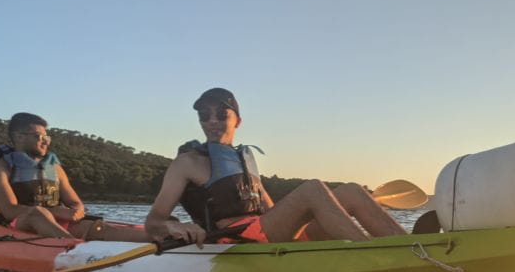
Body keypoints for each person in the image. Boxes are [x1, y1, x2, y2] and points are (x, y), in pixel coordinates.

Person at [145, 88, 406, 246]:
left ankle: (411, 248)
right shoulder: (187, 163)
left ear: (237, 121)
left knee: (351, 190)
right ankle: (370, 255)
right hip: (237, 240)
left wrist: (316, 213)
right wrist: (174, 227)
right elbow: (154, 222)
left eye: (221, 114)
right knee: (312, 188)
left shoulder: (243, 161)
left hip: (265, 231)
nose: (212, 121)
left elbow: (270, 212)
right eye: (204, 116)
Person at [0, 112, 151, 242]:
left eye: (47, 137)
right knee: (37, 213)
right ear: (19, 137)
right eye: (39, 137)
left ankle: (161, 240)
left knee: (102, 229)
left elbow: (75, 202)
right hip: (22, 224)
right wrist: (56, 212)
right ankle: (74, 249)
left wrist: (76, 212)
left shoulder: (54, 168)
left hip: (59, 222)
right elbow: (9, 211)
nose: (46, 141)